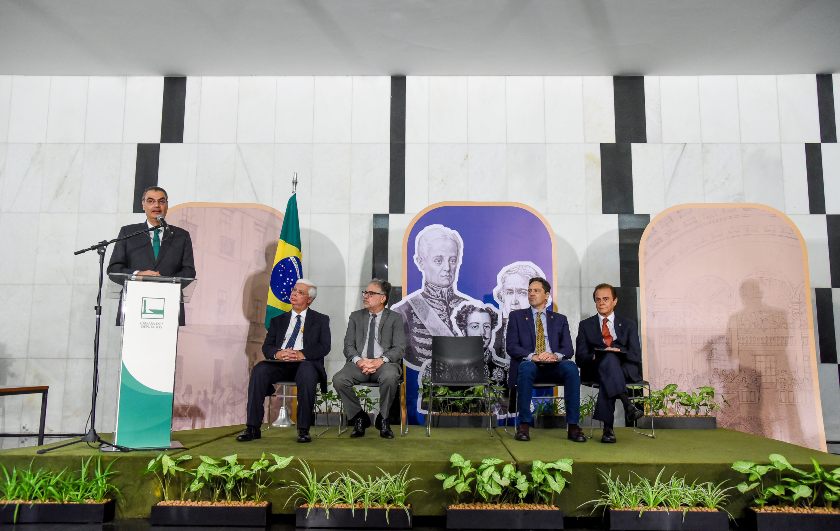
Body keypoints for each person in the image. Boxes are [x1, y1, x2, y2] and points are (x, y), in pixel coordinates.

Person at [236, 279, 331, 444]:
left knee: (307, 372)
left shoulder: (321, 320)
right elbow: (267, 347)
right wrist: (278, 353)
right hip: (280, 364)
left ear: (309, 299)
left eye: (300, 292)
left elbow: (324, 347)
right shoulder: (278, 320)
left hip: (305, 364)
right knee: (259, 370)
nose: (294, 294)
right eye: (294, 290)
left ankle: (303, 430)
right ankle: (252, 428)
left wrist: (301, 354)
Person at [506, 277, 586, 443]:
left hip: (554, 366)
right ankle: (524, 425)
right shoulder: (516, 317)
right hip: (531, 366)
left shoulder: (560, 319)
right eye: (529, 291)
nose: (531, 294)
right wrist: (533, 356)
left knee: (571, 368)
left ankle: (573, 425)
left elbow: (568, 349)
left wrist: (555, 355)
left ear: (547, 295)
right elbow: (511, 347)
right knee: (526, 367)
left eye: (536, 291)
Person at [107, 186, 196, 325]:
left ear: (167, 205)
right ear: (143, 205)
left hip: (169, 306)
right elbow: (114, 269)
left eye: (161, 201)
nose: (156, 205)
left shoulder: (181, 236)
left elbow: (189, 271)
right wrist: (138, 275)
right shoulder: (128, 233)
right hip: (134, 305)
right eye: (150, 201)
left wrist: (166, 281)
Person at [333, 279, 406, 439]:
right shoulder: (356, 317)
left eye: (371, 293)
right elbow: (348, 346)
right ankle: (359, 417)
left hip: (384, 364)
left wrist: (380, 360)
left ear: (383, 298)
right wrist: (360, 361)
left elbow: (399, 348)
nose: (365, 296)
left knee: (390, 376)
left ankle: (384, 419)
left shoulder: (395, 318)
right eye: (365, 292)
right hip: (359, 364)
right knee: (339, 379)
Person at [392, 224, 469, 372]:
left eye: (452, 260)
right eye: (438, 260)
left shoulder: (470, 307)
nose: (447, 268)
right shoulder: (402, 312)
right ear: (421, 262)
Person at [575, 283, 643, 443]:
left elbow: (635, 355)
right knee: (608, 362)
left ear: (615, 301)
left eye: (605, 299)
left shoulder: (629, 324)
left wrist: (618, 352)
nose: (601, 303)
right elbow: (580, 357)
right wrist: (597, 356)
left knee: (610, 364)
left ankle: (608, 429)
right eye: (598, 299)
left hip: (624, 369)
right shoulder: (585, 325)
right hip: (595, 369)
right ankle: (627, 404)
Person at [452, 302, 501, 381]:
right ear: (464, 331)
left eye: (486, 326)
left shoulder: (502, 369)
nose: (482, 332)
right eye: (475, 326)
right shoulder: (452, 367)